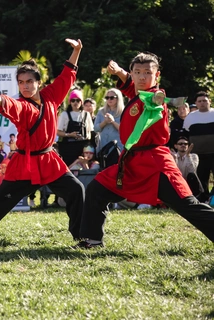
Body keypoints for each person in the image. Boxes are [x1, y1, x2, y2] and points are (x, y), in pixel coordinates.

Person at [77, 54, 214, 248]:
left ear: (156, 75)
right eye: (137, 72)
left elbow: (153, 100)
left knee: (188, 205)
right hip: (132, 164)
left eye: (147, 73)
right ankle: (93, 240)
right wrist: (118, 72)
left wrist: (163, 100)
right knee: (97, 188)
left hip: (156, 164)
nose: (142, 77)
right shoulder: (137, 93)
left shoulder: (155, 97)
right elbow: (132, 86)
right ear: (132, 74)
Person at [0, 39, 86, 242]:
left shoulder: (51, 96)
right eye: (21, 82)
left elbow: (67, 75)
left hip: (49, 160)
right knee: (0, 200)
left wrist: (77, 50)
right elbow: (11, 104)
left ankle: (82, 236)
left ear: (38, 82)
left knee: (76, 189)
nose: (25, 86)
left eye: (29, 82)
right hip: (25, 165)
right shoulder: (21, 105)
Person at [184, 91, 214, 201]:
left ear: (209, 101)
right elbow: (186, 134)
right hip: (198, 154)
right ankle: (204, 199)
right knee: (202, 178)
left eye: (204, 101)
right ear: (196, 103)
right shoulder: (190, 117)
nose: (202, 103)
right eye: (200, 101)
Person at [57, 89, 94, 166]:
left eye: (78, 100)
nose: (75, 102)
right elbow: (58, 132)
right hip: (68, 148)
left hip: (82, 148)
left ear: (81, 102)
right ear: (70, 102)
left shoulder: (86, 115)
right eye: (73, 100)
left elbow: (90, 132)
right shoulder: (64, 114)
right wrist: (69, 135)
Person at [171, 132, 205, 200]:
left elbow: (192, 170)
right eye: (180, 144)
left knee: (191, 175)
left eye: (185, 144)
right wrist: (174, 159)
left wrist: (187, 156)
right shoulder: (172, 157)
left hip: (190, 184)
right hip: (178, 183)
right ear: (175, 146)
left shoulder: (194, 156)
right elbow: (173, 171)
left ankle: (195, 198)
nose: (183, 145)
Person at [95, 88, 124, 157]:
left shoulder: (123, 112)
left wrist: (113, 121)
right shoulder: (101, 112)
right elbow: (96, 129)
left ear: (118, 99)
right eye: (107, 98)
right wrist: (105, 122)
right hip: (103, 147)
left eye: (111, 98)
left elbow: (124, 131)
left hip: (118, 148)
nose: (109, 100)